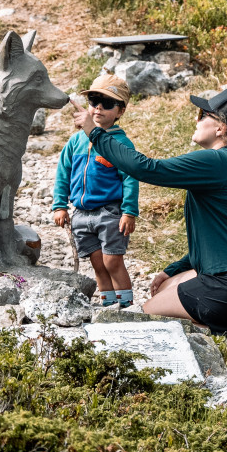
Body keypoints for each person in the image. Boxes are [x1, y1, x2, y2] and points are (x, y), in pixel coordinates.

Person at [79, 88, 227, 354]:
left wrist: (94, 133)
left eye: (203, 114)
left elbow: (146, 168)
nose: (196, 119)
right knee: (167, 285)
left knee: (148, 316)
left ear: (220, 128)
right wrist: (174, 268)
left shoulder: (215, 160)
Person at [52, 74, 140, 308]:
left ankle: (127, 307)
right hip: (81, 212)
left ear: (120, 111)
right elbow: (63, 173)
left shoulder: (121, 144)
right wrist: (60, 205)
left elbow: (130, 177)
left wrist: (129, 211)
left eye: (107, 103)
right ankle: (108, 305)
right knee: (98, 262)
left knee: (112, 261)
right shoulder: (75, 141)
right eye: (94, 101)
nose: (98, 107)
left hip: (110, 212)